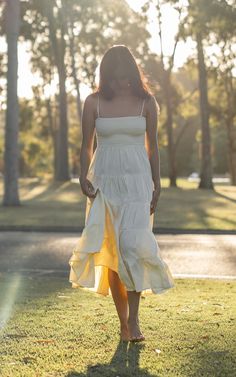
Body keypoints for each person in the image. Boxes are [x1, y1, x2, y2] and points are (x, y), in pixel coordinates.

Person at [68, 45, 175, 342]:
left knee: (134, 247)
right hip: (104, 180)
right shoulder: (93, 102)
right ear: (106, 76)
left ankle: (136, 320)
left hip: (138, 182)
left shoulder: (147, 102)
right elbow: (85, 144)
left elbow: (152, 146)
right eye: (114, 78)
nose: (121, 83)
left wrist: (158, 183)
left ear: (132, 73)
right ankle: (124, 323)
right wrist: (81, 175)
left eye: (125, 77)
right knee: (113, 252)